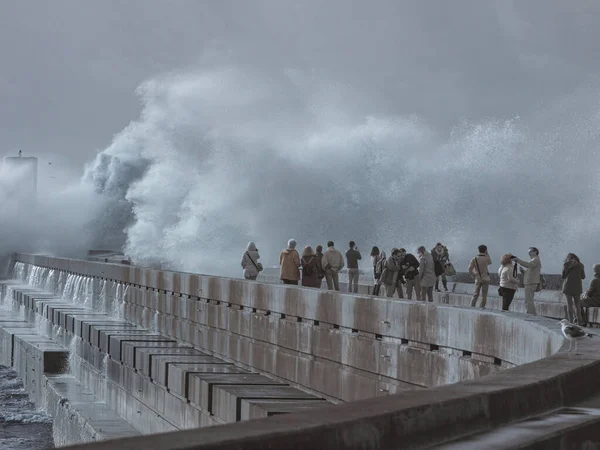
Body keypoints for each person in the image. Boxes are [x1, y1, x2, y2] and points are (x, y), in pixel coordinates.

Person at [515, 247, 542, 315]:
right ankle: (532, 313)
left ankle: (530, 314)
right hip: (530, 282)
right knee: (529, 300)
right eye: (528, 252)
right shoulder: (534, 260)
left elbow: (528, 265)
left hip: (531, 283)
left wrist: (518, 260)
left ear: (535, 251)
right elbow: (531, 271)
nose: (528, 253)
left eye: (530, 251)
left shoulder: (536, 259)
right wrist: (523, 272)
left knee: (528, 300)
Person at [562, 253, 585, 324]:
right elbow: (583, 276)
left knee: (569, 305)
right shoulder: (580, 265)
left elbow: (563, 276)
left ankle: (571, 321)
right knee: (577, 305)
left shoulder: (566, 265)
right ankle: (579, 321)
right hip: (577, 287)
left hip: (568, 287)